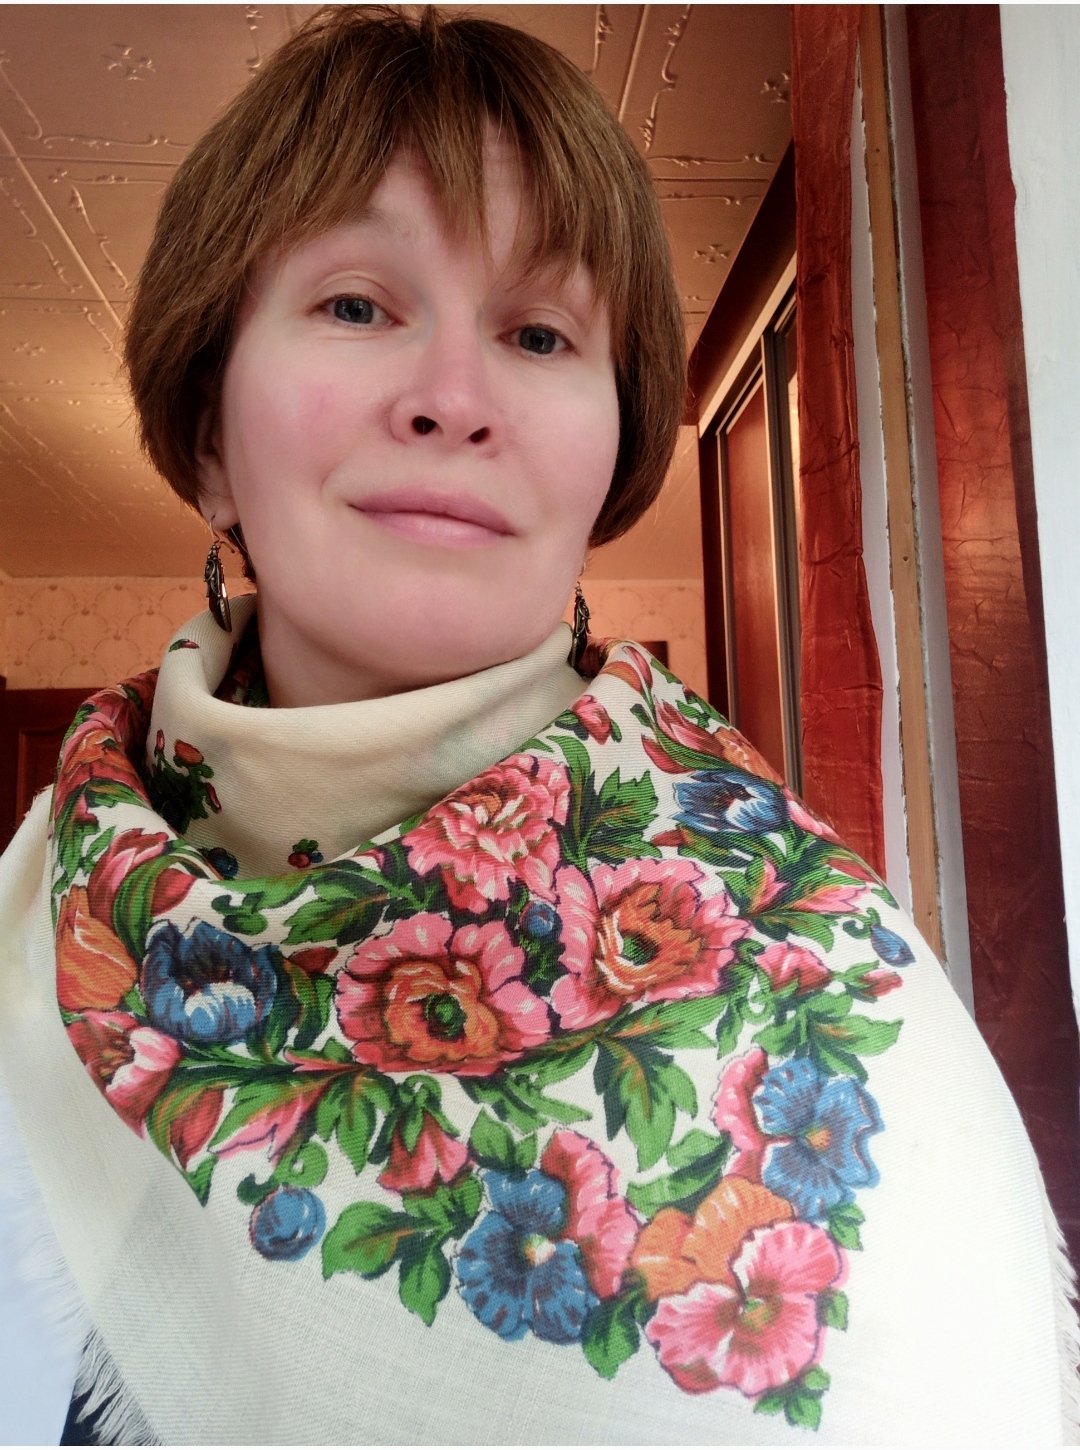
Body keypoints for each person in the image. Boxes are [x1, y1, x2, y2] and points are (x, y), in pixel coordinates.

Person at [0, 6, 1075, 1444]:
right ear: (209, 435)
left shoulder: (816, 985)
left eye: (537, 331)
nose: (452, 399)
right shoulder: (34, 922)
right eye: (357, 305)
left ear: (614, 444)